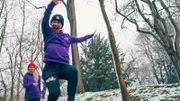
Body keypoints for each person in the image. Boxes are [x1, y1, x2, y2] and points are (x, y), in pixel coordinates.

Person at [41, 0, 96, 101]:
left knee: (73, 71)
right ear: (51, 24)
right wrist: (52, 4)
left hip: (63, 66)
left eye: (58, 22)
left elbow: (78, 39)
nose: (55, 24)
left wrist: (89, 36)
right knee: (55, 93)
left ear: (61, 25)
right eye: (54, 22)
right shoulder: (48, 32)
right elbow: (45, 18)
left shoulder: (67, 37)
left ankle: (71, 99)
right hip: (50, 69)